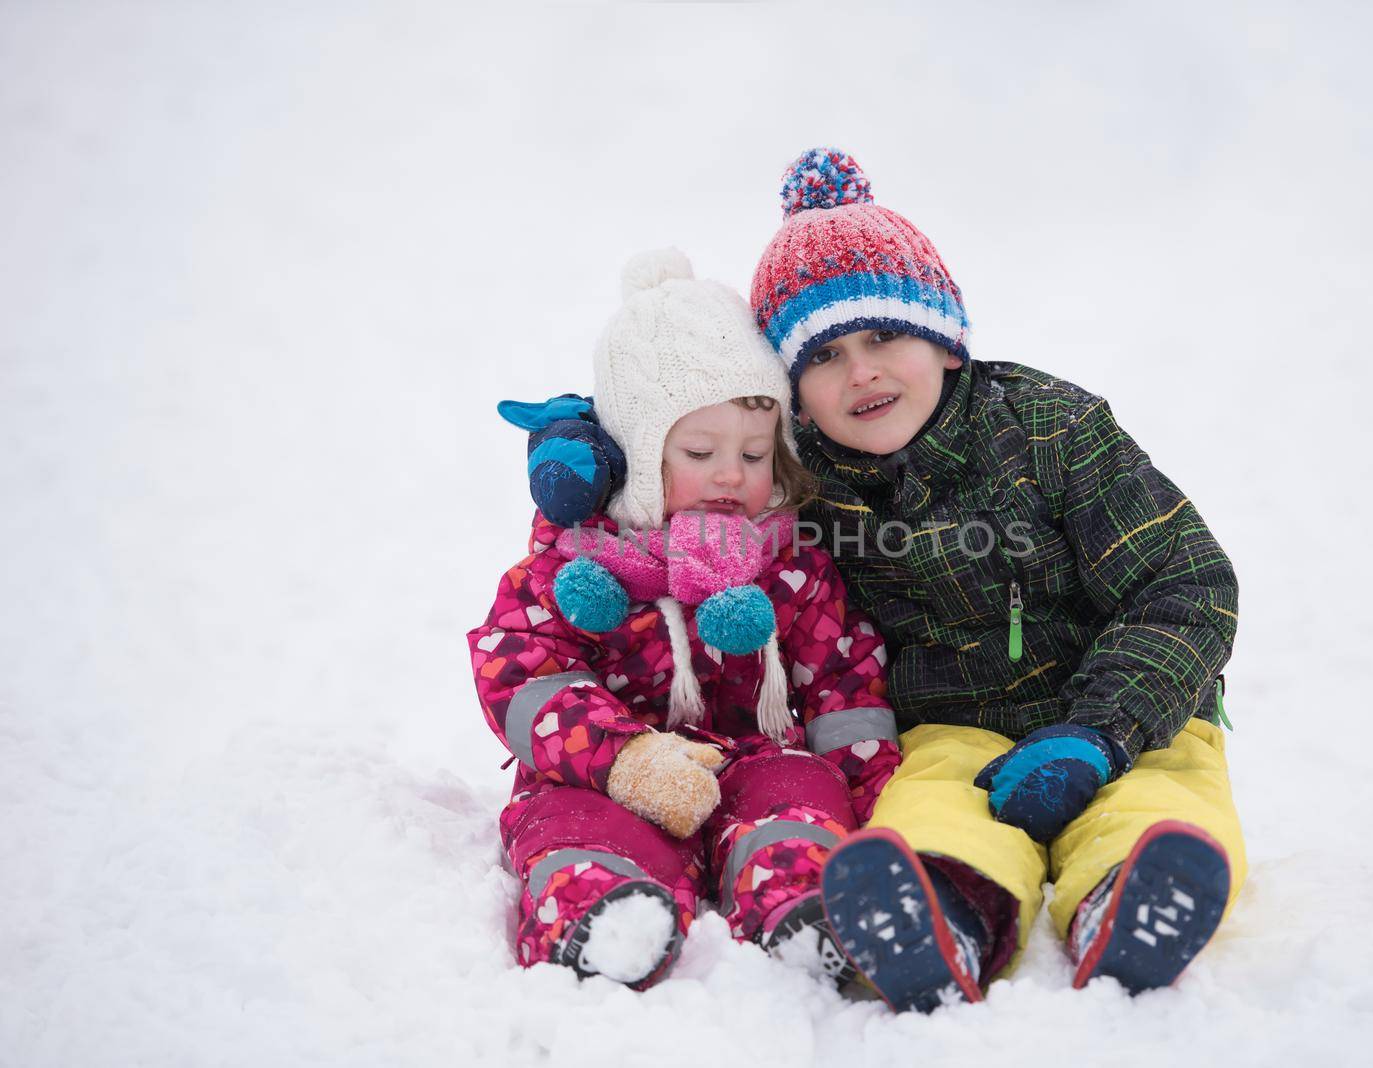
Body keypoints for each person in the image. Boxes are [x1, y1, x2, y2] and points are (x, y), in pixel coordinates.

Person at [519, 149, 1247, 1012]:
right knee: (933, 817)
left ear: (944, 338)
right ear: (795, 397)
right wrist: (585, 442)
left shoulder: (1052, 429)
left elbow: (1186, 582)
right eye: (824, 356)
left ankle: (1129, 897)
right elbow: (670, 442)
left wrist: (1101, 732)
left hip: (1133, 715)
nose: (860, 371)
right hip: (950, 731)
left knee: (1159, 795)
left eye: (884, 336)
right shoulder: (797, 480)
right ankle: (943, 917)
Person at [468, 248, 900, 990]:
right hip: (604, 770)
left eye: (756, 453)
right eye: (700, 451)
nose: (733, 474)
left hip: (752, 755)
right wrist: (624, 759)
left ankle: (804, 906)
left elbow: (843, 681)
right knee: (572, 817)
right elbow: (522, 671)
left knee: (799, 794)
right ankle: (599, 908)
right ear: (637, 456)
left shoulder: (787, 561)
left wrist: (876, 799)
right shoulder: (575, 563)